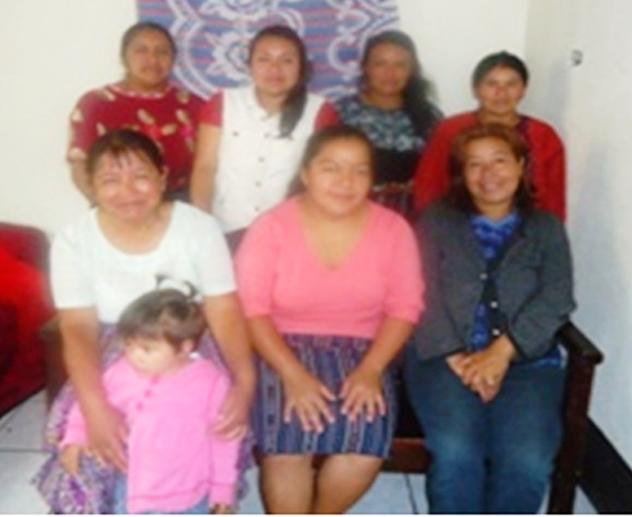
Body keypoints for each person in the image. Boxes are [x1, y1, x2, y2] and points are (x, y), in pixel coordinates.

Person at [34, 129, 254, 513]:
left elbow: (223, 308)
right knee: (89, 452)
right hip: (112, 349)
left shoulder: (198, 228)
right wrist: (95, 408)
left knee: (200, 432)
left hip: (184, 343)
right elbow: (78, 327)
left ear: (163, 178)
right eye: (110, 180)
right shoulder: (74, 240)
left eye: (140, 176)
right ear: (90, 186)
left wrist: (244, 381)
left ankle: (198, 497)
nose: (128, 191)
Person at [235, 125, 424, 513]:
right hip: (279, 346)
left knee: (365, 443)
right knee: (289, 443)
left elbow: (405, 308)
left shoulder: (393, 230)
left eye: (359, 170)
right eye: (331, 168)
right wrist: (293, 376)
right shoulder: (271, 227)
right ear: (305, 174)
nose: (345, 181)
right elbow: (252, 310)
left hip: (365, 349)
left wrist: (371, 370)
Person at [404, 124, 575, 513]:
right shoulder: (436, 221)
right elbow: (418, 290)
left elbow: (557, 298)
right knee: (456, 452)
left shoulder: (546, 228)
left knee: (528, 461)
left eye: (499, 161)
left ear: (521, 165)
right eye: (474, 164)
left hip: (527, 362)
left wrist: (501, 353)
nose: (488, 174)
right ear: (461, 174)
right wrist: (457, 356)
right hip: (444, 359)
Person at [58, 289, 240, 514]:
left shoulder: (211, 382)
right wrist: (75, 437)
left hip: (191, 492)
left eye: (147, 349)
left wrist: (223, 489)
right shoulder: (121, 372)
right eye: (129, 344)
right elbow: (87, 405)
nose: (135, 355)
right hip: (132, 488)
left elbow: (224, 438)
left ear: (185, 347)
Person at [190, 25, 339, 248]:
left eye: (286, 60)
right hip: (225, 229)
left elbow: (320, 177)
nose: (274, 69)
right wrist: (203, 225)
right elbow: (205, 167)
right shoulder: (223, 103)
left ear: (301, 66)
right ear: (249, 65)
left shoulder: (321, 112)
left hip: (288, 234)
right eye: (264, 59)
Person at [413, 51, 566, 220]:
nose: (501, 93)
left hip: (527, 229)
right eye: (492, 84)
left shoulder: (544, 135)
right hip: (457, 224)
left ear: (524, 90)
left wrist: (549, 231)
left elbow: (554, 200)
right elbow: (428, 187)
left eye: (511, 84)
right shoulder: (450, 130)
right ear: (476, 89)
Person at [68, 22, 204, 202]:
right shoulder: (96, 103)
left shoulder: (193, 105)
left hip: (182, 202)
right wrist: (108, 206)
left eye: (162, 52)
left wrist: (199, 209)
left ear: (173, 58)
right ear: (124, 57)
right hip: (121, 202)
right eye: (141, 51)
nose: (153, 59)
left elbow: (208, 165)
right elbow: (80, 164)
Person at [336, 30, 442, 218]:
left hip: (416, 218)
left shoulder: (430, 117)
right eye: (380, 64)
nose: (390, 73)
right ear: (365, 67)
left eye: (400, 65)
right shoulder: (341, 113)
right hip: (354, 215)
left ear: (412, 70)